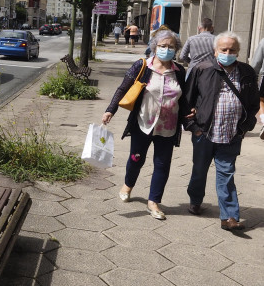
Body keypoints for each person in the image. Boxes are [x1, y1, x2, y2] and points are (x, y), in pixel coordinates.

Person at [102, 29, 191, 220]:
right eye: (162, 46)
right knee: (136, 158)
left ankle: (154, 202)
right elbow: (123, 88)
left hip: (168, 127)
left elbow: (183, 100)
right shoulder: (143, 66)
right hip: (143, 123)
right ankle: (128, 184)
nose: (166, 50)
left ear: (176, 49)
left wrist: (189, 120)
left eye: (171, 47)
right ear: (155, 47)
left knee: (162, 164)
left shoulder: (179, 71)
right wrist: (110, 109)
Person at [184, 32, 259, 231]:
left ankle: (229, 217)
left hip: (232, 134)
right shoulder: (202, 69)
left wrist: (245, 128)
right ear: (215, 51)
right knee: (199, 171)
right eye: (223, 50)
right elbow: (186, 100)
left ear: (238, 52)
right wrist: (193, 127)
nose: (228, 53)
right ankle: (196, 199)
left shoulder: (247, 72)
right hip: (205, 133)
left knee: (226, 174)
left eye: (232, 50)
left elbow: (253, 104)